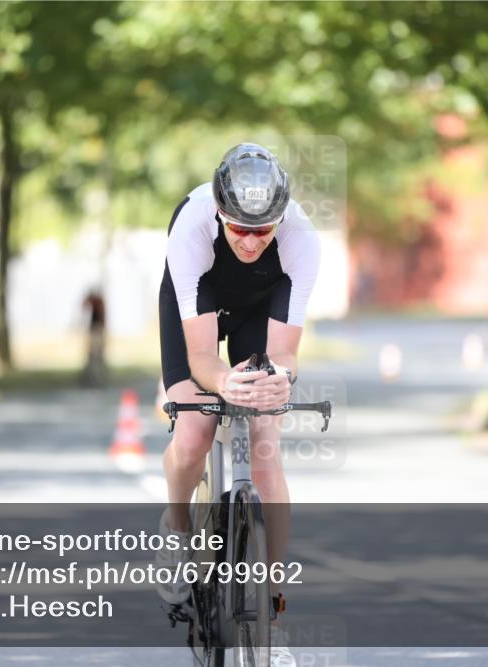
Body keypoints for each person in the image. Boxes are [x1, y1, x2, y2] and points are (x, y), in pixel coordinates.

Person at [156, 143, 320, 664]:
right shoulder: (191, 227)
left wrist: (280, 380)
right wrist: (224, 384)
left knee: (266, 445)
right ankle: (178, 527)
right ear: (219, 213)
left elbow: (285, 353)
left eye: (263, 230)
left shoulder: (302, 240)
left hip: (261, 306)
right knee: (194, 432)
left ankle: (272, 624)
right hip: (198, 302)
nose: (250, 241)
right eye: (238, 229)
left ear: (281, 218)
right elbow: (202, 356)